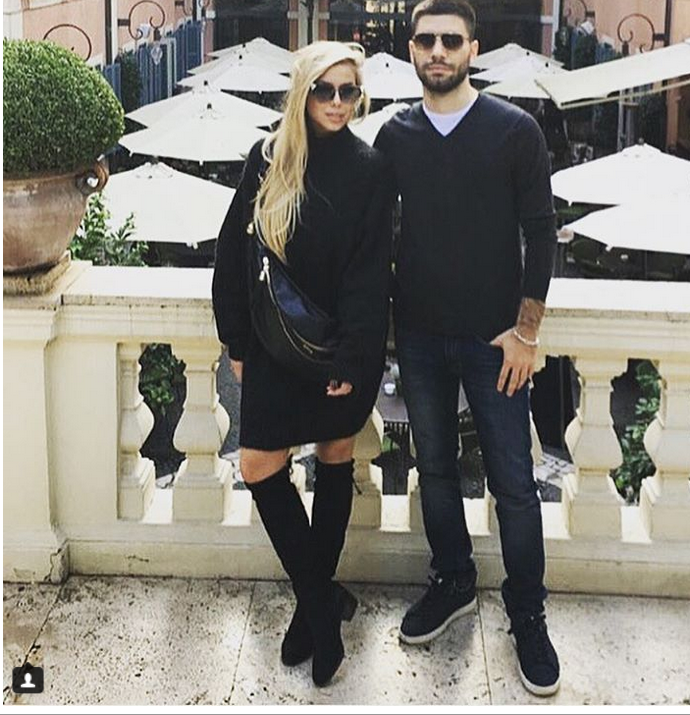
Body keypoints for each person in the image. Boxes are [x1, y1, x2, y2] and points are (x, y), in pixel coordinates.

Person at [374, 0, 561, 696]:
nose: (438, 51)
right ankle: (453, 579)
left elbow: (541, 233)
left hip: (496, 343)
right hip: (419, 337)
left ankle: (528, 612)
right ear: (411, 49)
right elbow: (372, 231)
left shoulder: (515, 131)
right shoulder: (394, 135)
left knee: (514, 483)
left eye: (451, 40)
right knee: (435, 468)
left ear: (472, 49)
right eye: (426, 40)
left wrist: (527, 331)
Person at [212, 41, 393, 687]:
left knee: (335, 457)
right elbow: (233, 256)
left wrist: (352, 359)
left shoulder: (370, 169)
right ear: (302, 93)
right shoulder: (266, 159)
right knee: (258, 465)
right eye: (326, 90)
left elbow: (371, 276)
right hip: (273, 349)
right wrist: (236, 343)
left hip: (340, 350)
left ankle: (312, 613)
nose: (338, 103)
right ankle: (322, 605)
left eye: (349, 91)